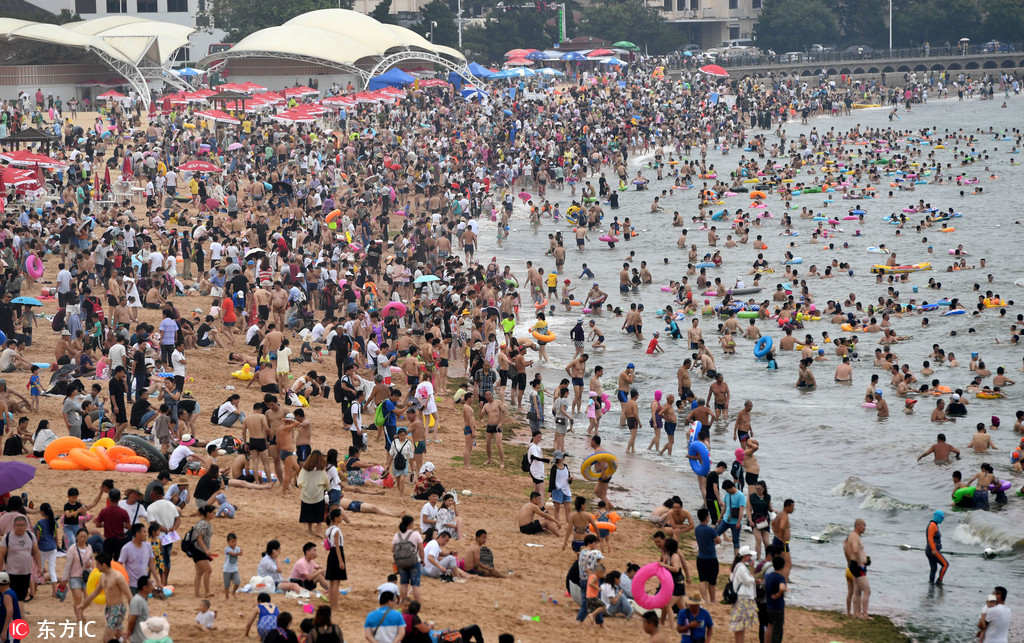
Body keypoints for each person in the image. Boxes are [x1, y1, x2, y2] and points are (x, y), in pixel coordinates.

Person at [77, 552, 131, 642]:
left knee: (106, 639)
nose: (95, 566)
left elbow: (129, 596)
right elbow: (94, 593)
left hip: (117, 610)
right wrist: (83, 606)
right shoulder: (103, 577)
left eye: (97, 564)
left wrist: (131, 614)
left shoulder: (118, 577)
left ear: (104, 565)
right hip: (109, 609)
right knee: (119, 636)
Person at [0, 515, 39, 602]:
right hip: (11, 572)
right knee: (10, 597)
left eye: (22, 525)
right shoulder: (7, 537)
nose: (20, 527)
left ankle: (18, 614)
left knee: (21, 597)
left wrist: (39, 566)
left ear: (26, 526)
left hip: (26, 572)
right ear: (14, 526)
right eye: (18, 525)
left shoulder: (31, 536)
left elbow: (36, 552)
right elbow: (1, 554)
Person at [392, 515, 423, 606]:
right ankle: (418, 604)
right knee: (415, 585)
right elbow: (421, 549)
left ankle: (403, 603)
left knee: (403, 583)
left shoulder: (397, 535)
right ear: (410, 524)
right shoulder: (415, 534)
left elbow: (393, 549)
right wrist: (423, 560)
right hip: (414, 561)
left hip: (401, 562)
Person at [729, 546, 758, 642]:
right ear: (745, 556)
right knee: (740, 625)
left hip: (741, 598)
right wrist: (754, 575)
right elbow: (748, 580)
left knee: (740, 625)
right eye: (749, 556)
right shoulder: (741, 567)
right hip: (743, 598)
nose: (750, 558)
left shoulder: (739, 566)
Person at [297, 450, 329, 537]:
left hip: (306, 496)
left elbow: (299, 482)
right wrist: (326, 489)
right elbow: (326, 482)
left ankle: (309, 530)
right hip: (318, 496)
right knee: (319, 514)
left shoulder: (304, 470)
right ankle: (318, 530)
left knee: (308, 514)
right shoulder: (321, 471)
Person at [843, 519, 870, 618]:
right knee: (867, 590)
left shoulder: (850, 537)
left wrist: (850, 562)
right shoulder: (854, 536)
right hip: (858, 566)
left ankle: (856, 613)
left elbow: (846, 550)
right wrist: (860, 563)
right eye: (864, 526)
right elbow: (855, 550)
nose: (865, 528)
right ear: (858, 526)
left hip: (852, 566)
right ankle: (865, 614)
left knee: (856, 591)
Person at [694, 507, 721, 605]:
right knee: (712, 581)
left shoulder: (697, 529)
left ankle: (705, 600)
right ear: (707, 517)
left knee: (702, 579)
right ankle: (713, 600)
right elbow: (719, 540)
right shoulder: (710, 530)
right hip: (711, 558)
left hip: (700, 558)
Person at [324, 508, 349, 611]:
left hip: (331, 555)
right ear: (336, 518)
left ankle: (331, 604)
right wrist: (341, 561)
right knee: (336, 582)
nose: (342, 517)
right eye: (340, 516)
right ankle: (335, 605)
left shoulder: (329, 529)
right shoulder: (336, 530)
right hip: (337, 554)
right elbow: (337, 547)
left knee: (331, 582)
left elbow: (327, 544)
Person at [188, 505, 216, 598]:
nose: (214, 514)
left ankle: (196, 593)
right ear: (208, 513)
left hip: (197, 550)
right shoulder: (204, 524)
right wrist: (206, 550)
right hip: (199, 551)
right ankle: (207, 592)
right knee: (208, 570)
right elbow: (199, 539)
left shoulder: (204, 523)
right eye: (213, 512)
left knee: (199, 572)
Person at [715, 480, 745, 557]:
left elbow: (741, 510)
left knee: (736, 541)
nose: (727, 491)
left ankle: (736, 559)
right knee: (715, 535)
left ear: (731, 487)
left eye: (727, 490)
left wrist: (739, 522)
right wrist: (720, 518)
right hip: (725, 520)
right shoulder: (727, 495)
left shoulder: (741, 496)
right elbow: (724, 507)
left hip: (735, 522)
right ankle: (711, 551)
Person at [763, 556, 788, 643]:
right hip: (778, 607)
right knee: (777, 630)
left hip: (769, 606)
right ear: (783, 566)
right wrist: (778, 594)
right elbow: (782, 588)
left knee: (769, 626)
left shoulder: (768, 576)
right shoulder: (780, 578)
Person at [125, 575, 152, 643]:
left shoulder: (141, 599)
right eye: (151, 585)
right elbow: (132, 620)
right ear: (144, 588)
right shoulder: (137, 600)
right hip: (138, 639)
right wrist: (129, 632)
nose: (153, 587)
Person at [926, 510, 949, 585]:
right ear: (938, 517)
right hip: (933, 551)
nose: (942, 519)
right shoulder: (932, 525)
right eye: (942, 518)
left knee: (934, 568)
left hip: (930, 550)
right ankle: (939, 581)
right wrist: (934, 550)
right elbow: (930, 539)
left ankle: (931, 583)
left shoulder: (934, 525)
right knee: (945, 564)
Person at [0, 573, 20, 643]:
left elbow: (10, 612)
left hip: (10, 629)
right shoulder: (10, 592)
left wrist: (4, 631)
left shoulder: (7, 595)